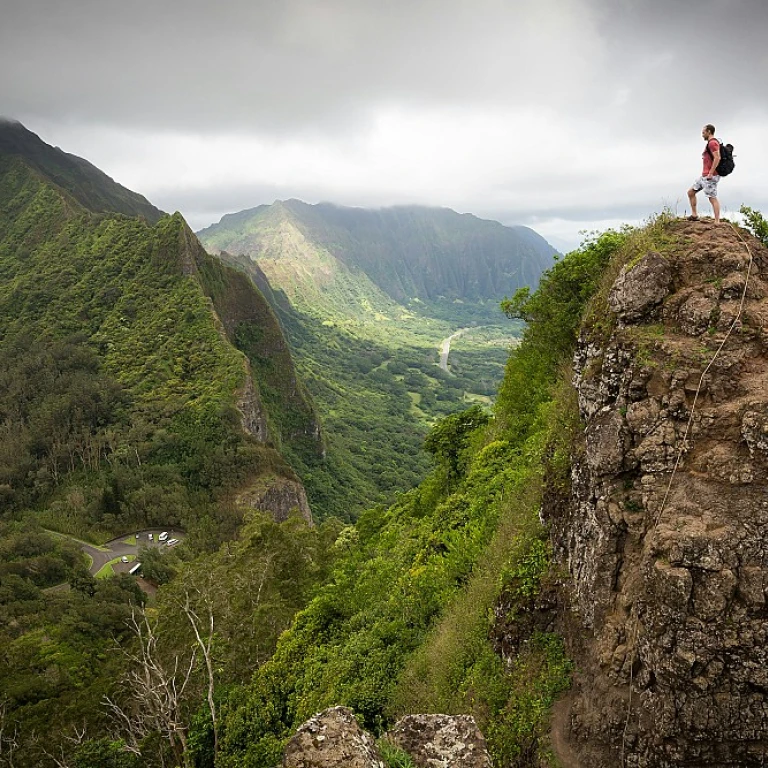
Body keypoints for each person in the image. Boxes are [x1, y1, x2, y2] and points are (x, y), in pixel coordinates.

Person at [687, 124, 721, 223]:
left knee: (712, 198)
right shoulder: (710, 143)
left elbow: (717, 157)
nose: (702, 135)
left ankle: (717, 221)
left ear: (709, 132)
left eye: (703, 132)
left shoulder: (713, 143)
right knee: (691, 192)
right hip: (704, 176)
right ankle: (694, 215)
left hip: (711, 176)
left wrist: (710, 173)